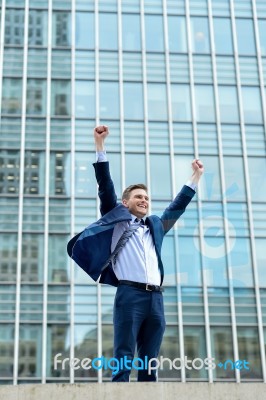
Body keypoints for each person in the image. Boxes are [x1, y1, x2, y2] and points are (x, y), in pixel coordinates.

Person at [67, 125, 204, 382]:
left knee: (149, 358)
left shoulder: (155, 226)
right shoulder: (116, 219)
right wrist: (100, 145)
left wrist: (195, 177)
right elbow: (105, 185)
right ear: (125, 202)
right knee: (124, 352)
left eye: (147, 198)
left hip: (156, 298)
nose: (144, 200)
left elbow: (178, 206)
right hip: (129, 294)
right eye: (139, 197)